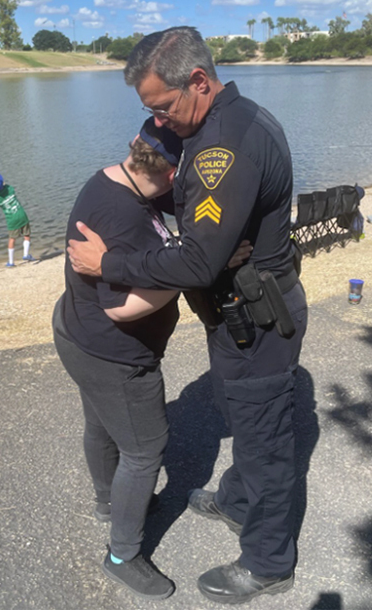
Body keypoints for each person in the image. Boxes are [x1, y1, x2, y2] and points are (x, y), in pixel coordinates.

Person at [67, 26, 308, 605]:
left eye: (164, 107)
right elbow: (205, 230)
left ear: (198, 81)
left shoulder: (227, 145)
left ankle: (268, 562)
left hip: (257, 319)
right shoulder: (230, 118)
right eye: (149, 111)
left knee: (265, 441)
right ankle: (237, 500)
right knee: (246, 419)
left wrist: (110, 261)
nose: (160, 120)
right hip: (237, 314)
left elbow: (198, 260)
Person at [54, 118, 252, 601]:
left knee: (102, 426)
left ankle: (110, 503)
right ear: (168, 171)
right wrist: (196, 269)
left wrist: (212, 239)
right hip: (113, 353)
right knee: (145, 449)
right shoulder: (120, 215)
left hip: (77, 335)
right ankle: (122, 554)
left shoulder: (119, 177)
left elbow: (183, 215)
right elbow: (121, 307)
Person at [0, 173, 35, 266]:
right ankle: (26, 254)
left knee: (12, 239)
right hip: (22, 215)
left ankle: (11, 261)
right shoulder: (10, 188)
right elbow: (8, 187)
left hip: (12, 220)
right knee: (27, 235)